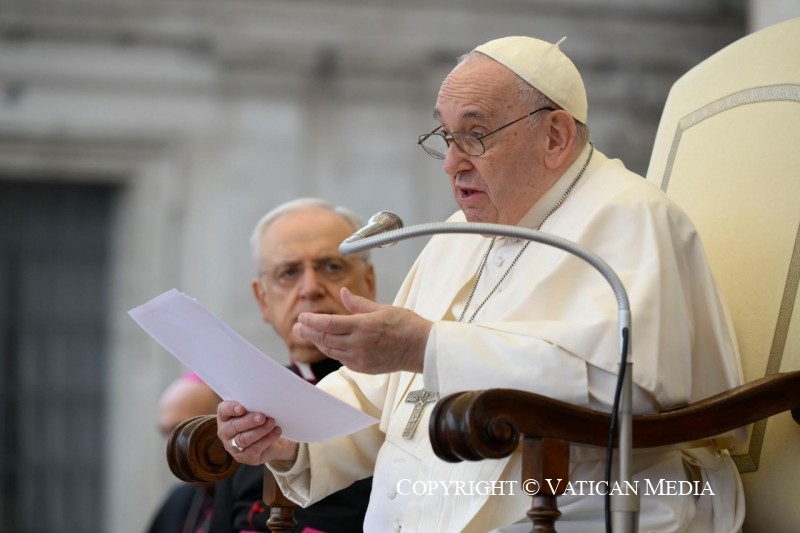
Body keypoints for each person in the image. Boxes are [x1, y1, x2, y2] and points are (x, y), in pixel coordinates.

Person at [216, 36, 746, 532]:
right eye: (446, 137)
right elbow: (390, 396)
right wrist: (290, 436)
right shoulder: (459, 232)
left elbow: (627, 386)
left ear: (556, 136)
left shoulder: (632, 217)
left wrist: (429, 346)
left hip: (577, 500)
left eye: (475, 135)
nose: (451, 164)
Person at [209, 198, 375, 533]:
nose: (310, 288)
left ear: (368, 283)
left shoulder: (399, 389)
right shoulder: (246, 408)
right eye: (289, 272)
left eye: (331, 267)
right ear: (263, 299)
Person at [147, 372, 222, 533]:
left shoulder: (253, 494)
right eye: (167, 434)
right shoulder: (177, 500)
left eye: (183, 432)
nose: (171, 449)